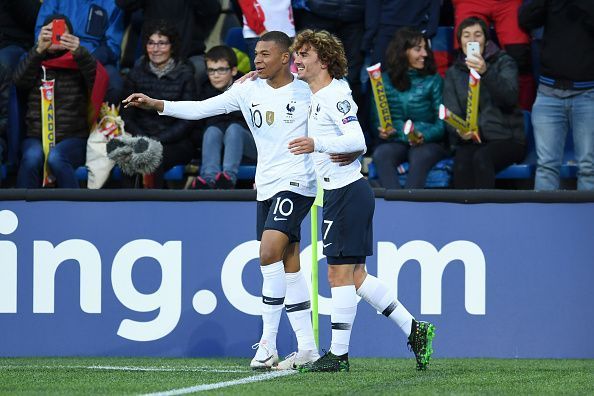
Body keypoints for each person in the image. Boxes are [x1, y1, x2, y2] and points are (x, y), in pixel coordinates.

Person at [122, 31, 319, 370]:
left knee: (268, 251)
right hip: (267, 183)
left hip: (298, 181)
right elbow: (201, 109)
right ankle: (308, 349)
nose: (257, 60)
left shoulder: (307, 91)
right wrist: (157, 104)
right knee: (288, 262)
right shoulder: (247, 89)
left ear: (285, 58)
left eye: (265, 54)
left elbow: (331, 127)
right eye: (255, 53)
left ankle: (268, 345)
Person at [289, 29, 436, 372]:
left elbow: (357, 139)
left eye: (304, 54)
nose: (297, 59)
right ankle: (415, 330)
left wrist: (318, 144)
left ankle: (338, 355)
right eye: (296, 53)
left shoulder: (333, 96)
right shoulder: (319, 91)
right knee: (355, 277)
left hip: (345, 193)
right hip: (345, 193)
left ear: (323, 61)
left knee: (338, 276)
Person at [14, 15, 107, 189]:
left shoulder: (78, 61)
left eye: (61, 32)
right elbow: (19, 82)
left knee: (56, 157)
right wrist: (38, 49)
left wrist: (79, 51)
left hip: (73, 139)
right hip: (37, 138)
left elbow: (98, 81)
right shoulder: (34, 60)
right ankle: (26, 210)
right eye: (50, 31)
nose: (56, 36)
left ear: (71, 36)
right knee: (32, 157)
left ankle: (73, 209)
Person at [519, 1, 594, 191]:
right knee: (545, 167)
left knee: (588, 168)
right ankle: (543, 220)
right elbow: (525, 19)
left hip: (587, 94)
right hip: (548, 94)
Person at [443, 17, 525, 189]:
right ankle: (465, 215)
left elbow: (509, 98)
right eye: (466, 35)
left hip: (506, 139)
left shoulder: (505, 62)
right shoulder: (453, 72)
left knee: (482, 158)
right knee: (461, 163)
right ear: (460, 42)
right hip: (471, 140)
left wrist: (486, 72)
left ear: (486, 41)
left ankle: (486, 212)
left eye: (477, 35)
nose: (472, 40)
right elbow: (452, 111)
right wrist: (459, 130)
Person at [120, 21, 197, 189]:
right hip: (140, 137)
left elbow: (188, 120)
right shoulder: (135, 74)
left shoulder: (185, 75)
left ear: (172, 46)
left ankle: (154, 209)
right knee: (125, 157)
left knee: (153, 157)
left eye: (162, 43)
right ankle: (126, 209)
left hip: (176, 142)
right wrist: (144, 138)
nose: (155, 49)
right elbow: (126, 115)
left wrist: (157, 140)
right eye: (151, 43)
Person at [371, 27, 448, 189]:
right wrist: (385, 131)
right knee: (381, 154)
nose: (425, 54)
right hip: (398, 140)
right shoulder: (382, 81)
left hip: (429, 143)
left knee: (419, 154)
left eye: (425, 49)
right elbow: (376, 120)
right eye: (418, 49)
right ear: (403, 52)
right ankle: (397, 206)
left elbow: (442, 125)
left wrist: (423, 135)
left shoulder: (433, 80)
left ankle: (408, 205)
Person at [115, 0, 221, 93]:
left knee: (199, 71)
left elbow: (213, 9)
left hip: (190, 54)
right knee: (138, 74)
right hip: (154, 56)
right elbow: (124, 3)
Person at [191, 45, 257, 190]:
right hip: (218, 148)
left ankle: (227, 178)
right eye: (211, 70)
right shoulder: (202, 88)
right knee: (212, 130)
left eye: (221, 70)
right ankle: (209, 178)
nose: (215, 75)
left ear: (233, 70)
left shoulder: (247, 87)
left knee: (234, 129)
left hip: (250, 145)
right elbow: (199, 125)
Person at [35, 0, 124, 104]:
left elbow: (113, 47)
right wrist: (53, 48)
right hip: (56, 52)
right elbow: (40, 33)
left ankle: (103, 119)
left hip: (93, 57)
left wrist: (86, 59)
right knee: (26, 69)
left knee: (114, 84)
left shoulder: (112, 3)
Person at [452, 0, 535, 110]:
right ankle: (467, 116)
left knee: (519, 57)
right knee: (466, 56)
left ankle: (522, 115)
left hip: (508, 3)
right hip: (471, 2)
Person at [363, 0, 441, 65]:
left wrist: (368, 38)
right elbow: (435, 7)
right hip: (414, 31)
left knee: (377, 74)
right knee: (412, 73)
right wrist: (429, 31)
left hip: (386, 30)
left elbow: (373, 8)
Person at [237, 1, 295, 69]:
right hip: (259, 35)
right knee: (261, 75)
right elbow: (247, 6)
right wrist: (260, 30)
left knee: (287, 74)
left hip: (288, 32)